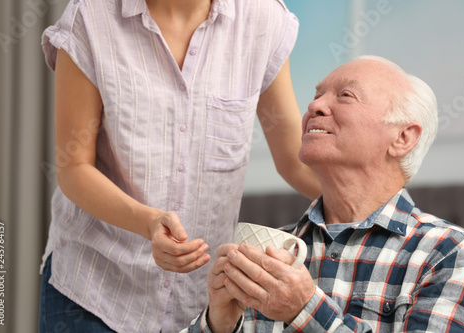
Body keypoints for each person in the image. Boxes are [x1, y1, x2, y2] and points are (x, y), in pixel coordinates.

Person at [37, 0, 322, 332]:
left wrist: (385, 203)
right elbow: (73, 167)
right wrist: (148, 222)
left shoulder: (261, 19)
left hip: (202, 305)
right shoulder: (91, 15)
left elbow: (294, 161)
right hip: (95, 292)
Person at [186, 56, 464, 332]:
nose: (315, 107)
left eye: (345, 96)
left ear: (402, 137)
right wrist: (217, 324)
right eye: (317, 95)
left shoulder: (450, 253)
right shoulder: (270, 251)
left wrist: (304, 309)